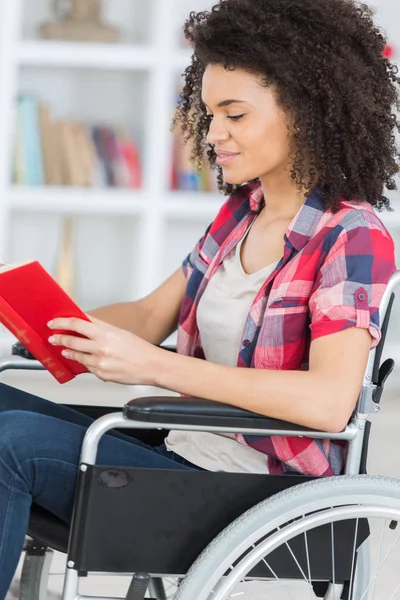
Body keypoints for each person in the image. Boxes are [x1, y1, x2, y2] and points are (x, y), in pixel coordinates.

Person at [1, 0, 400, 594]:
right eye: (209, 113)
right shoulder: (241, 214)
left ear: (306, 111)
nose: (213, 134)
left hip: (250, 484)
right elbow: (145, 315)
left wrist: (155, 367)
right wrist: (44, 319)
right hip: (183, 453)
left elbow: (326, 402)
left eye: (233, 114)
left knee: (12, 446)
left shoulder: (352, 235)